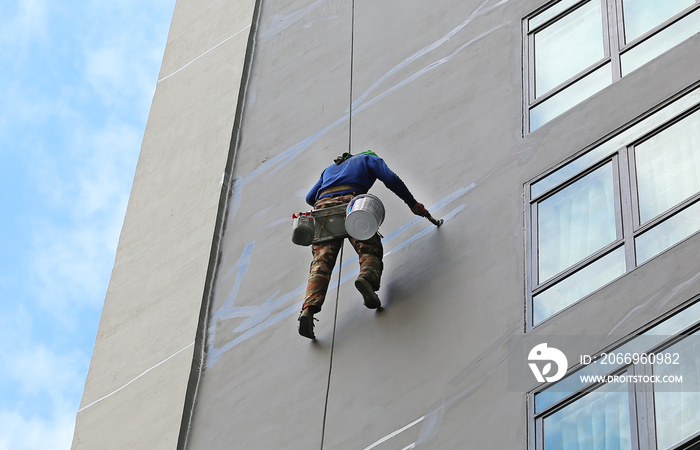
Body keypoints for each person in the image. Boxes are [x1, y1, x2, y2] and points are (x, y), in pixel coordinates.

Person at [298, 150, 430, 339]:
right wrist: (412, 203)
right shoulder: (368, 159)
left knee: (321, 263)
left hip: (322, 210)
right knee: (370, 248)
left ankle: (308, 310)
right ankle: (367, 279)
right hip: (352, 204)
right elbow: (390, 179)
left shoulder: (328, 170)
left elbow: (310, 198)